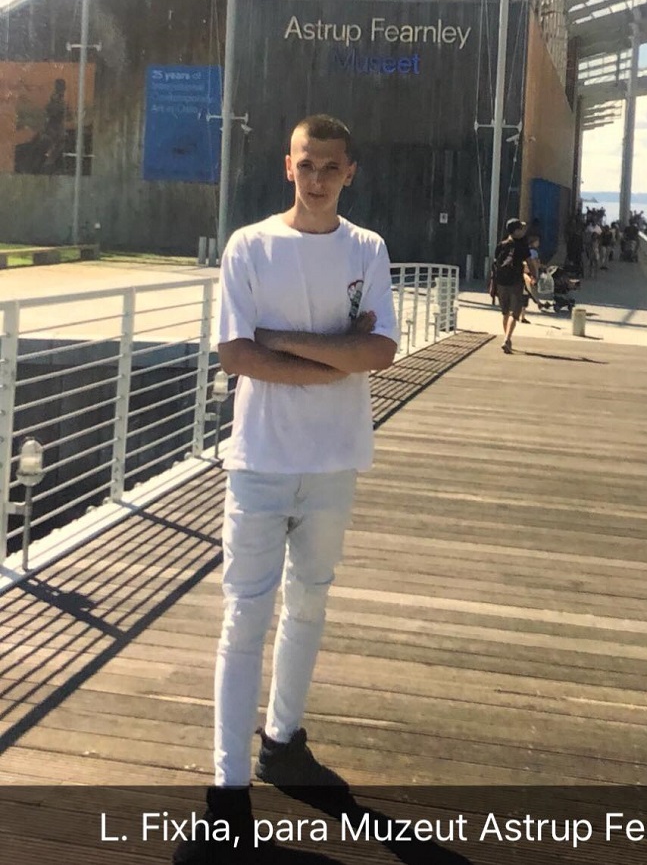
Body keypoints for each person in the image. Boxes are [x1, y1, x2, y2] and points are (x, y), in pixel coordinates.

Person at [177, 114, 399, 863]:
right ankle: (227, 793)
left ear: (349, 172)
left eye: (332, 166)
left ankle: (283, 739)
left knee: (309, 602)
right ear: (288, 166)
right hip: (262, 461)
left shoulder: (367, 248)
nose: (318, 178)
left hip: (334, 461)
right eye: (308, 164)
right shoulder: (249, 245)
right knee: (244, 616)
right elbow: (236, 355)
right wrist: (335, 359)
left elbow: (381, 351)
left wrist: (282, 341)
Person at [489, 217, 529, 353]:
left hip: (501, 282)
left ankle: (507, 338)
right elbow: (530, 262)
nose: (523, 231)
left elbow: (495, 266)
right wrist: (534, 276)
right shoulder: (521, 246)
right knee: (514, 314)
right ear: (516, 231)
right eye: (521, 229)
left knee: (505, 313)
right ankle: (507, 339)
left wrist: (492, 284)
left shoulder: (501, 245)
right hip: (515, 282)